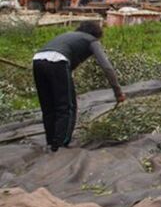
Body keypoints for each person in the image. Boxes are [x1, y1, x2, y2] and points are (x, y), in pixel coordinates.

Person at [32, 20, 125, 152]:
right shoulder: (91, 40)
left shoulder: (69, 36)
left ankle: (51, 140)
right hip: (58, 62)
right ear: (96, 34)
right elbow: (107, 67)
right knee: (66, 106)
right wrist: (118, 92)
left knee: (48, 106)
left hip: (38, 60)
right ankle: (60, 145)